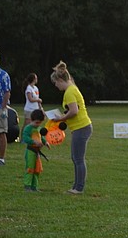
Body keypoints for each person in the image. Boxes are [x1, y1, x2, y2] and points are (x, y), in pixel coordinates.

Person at [50, 61, 92, 194]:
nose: (55, 85)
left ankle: (79, 188)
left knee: (78, 159)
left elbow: (74, 111)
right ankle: (76, 186)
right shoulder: (72, 88)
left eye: (56, 83)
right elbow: (72, 110)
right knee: (76, 158)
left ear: (60, 80)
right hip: (80, 127)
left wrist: (60, 118)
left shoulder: (69, 92)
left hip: (81, 127)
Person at [22, 108, 48, 191]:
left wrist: (45, 142)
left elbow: (41, 137)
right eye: (36, 122)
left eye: (40, 123)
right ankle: (27, 185)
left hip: (37, 153)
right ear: (31, 120)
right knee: (30, 168)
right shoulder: (28, 128)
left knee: (37, 169)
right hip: (30, 151)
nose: (38, 124)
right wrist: (33, 141)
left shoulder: (39, 128)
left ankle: (34, 186)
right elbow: (25, 138)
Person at [0, 51, 11, 166]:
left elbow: (7, 92)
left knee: (1, 133)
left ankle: (1, 158)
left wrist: (3, 108)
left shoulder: (3, 75)